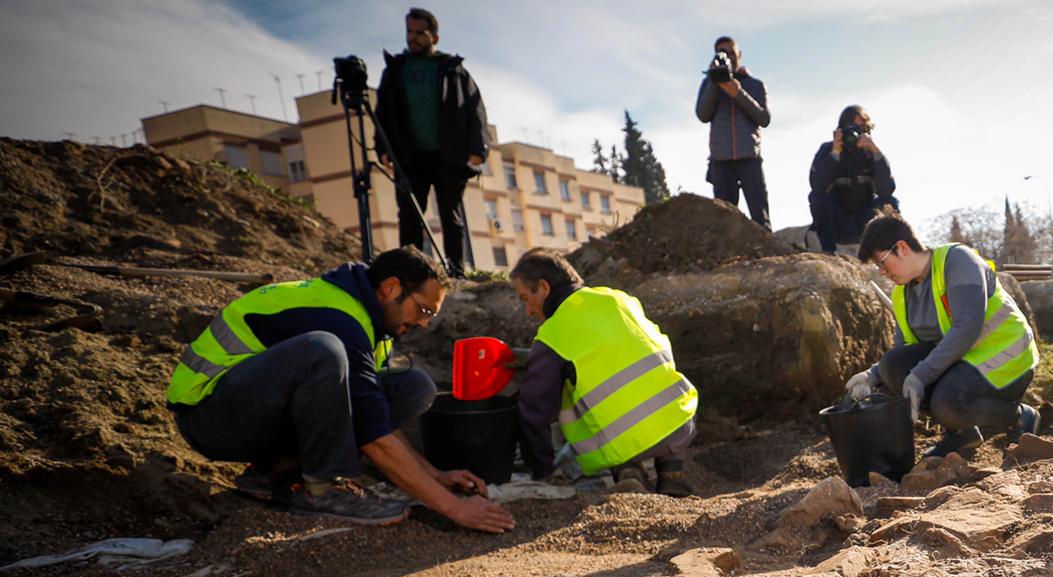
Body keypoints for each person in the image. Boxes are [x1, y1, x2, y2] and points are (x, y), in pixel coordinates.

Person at [167, 247, 515, 531]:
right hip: (209, 415)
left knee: (412, 386)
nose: (424, 322)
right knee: (322, 350)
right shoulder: (337, 316)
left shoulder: (371, 324)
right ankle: (322, 488)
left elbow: (373, 416)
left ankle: (273, 471)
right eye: (423, 309)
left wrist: (436, 476)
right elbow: (374, 437)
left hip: (252, 408)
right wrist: (455, 509)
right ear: (392, 287)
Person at [846, 211, 1040, 459]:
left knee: (947, 405)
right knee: (893, 365)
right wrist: (871, 376)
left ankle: (1019, 417)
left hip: (1006, 359)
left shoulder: (958, 261)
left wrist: (920, 376)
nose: (882, 272)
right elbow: (902, 354)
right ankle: (962, 435)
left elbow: (967, 327)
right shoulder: (902, 294)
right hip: (966, 362)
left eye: (881, 262)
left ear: (902, 248)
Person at [509, 251, 698, 497]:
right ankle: (672, 473)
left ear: (543, 287)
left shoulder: (552, 336)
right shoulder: (618, 299)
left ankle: (628, 469)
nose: (527, 311)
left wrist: (542, 469)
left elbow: (533, 412)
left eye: (525, 298)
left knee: (582, 397)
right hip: (679, 424)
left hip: (619, 445)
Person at [375, 6, 489, 277]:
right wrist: (383, 148)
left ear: (434, 38)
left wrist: (478, 148)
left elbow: (476, 108)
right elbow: (383, 114)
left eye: (420, 33)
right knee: (410, 215)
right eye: (409, 32)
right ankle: (410, 273)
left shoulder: (453, 69)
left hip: (449, 154)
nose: (413, 38)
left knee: (451, 216)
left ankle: (456, 271)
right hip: (409, 156)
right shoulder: (395, 71)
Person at [695, 35, 772, 229]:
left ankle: (770, 256)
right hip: (721, 160)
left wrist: (737, 93)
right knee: (723, 220)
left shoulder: (755, 85)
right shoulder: (708, 84)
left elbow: (764, 118)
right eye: (722, 53)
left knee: (759, 215)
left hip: (749, 157)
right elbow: (703, 115)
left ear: (739, 54)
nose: (728, 56)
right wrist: (715, 82)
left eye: (731, 52)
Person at [808, 106, 898, 255]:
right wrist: (835, 153)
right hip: (837, 223)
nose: (854, 133)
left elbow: (887, 190)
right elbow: (817, 187)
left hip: (866, 224)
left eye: (859, 127)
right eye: (849, 127)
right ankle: (828, 252)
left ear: (867, 130)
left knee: (889, 202)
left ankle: (885, 253)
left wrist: (875, 151)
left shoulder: (871, 153)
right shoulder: (828, 150)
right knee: (818, 197)